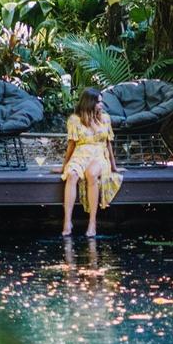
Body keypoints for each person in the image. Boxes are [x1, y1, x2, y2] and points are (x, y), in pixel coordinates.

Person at [60, 88, 122, 236]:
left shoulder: (105, 118)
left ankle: (92, 222)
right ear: (90, 102)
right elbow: (71, 145)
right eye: (99, 102)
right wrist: (64, 166)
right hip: (80, 155)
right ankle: (67, 221)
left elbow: (108, 144)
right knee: (72, 175)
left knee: (91, 174)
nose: (101, 105)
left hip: (99, 154)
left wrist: (114, 166)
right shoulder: (75, 120)